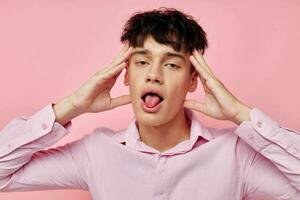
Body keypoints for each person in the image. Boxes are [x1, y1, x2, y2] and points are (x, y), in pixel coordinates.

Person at [0, 7, 300, 200]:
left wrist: (241, 114)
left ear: (194, 80)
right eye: (142, 62)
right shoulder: (97, 152)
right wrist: (71, 106)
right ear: (126, 75)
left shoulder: (233, 155)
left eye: (171, 65)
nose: (154, 75)